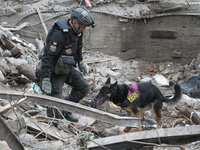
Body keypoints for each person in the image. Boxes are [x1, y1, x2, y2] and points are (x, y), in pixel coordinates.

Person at [39, 6, 95, 122]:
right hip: (54, 70)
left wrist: (80, 62)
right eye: (83, 27)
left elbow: (78, 48)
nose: (84, 29)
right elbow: (48, 57)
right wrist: (45, 78)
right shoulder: (59, 34)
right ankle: (54, 125)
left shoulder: (78, 32)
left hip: (66, 68)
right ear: (74, 22)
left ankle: (65, 111)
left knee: (83, 88)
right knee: (55, 100)